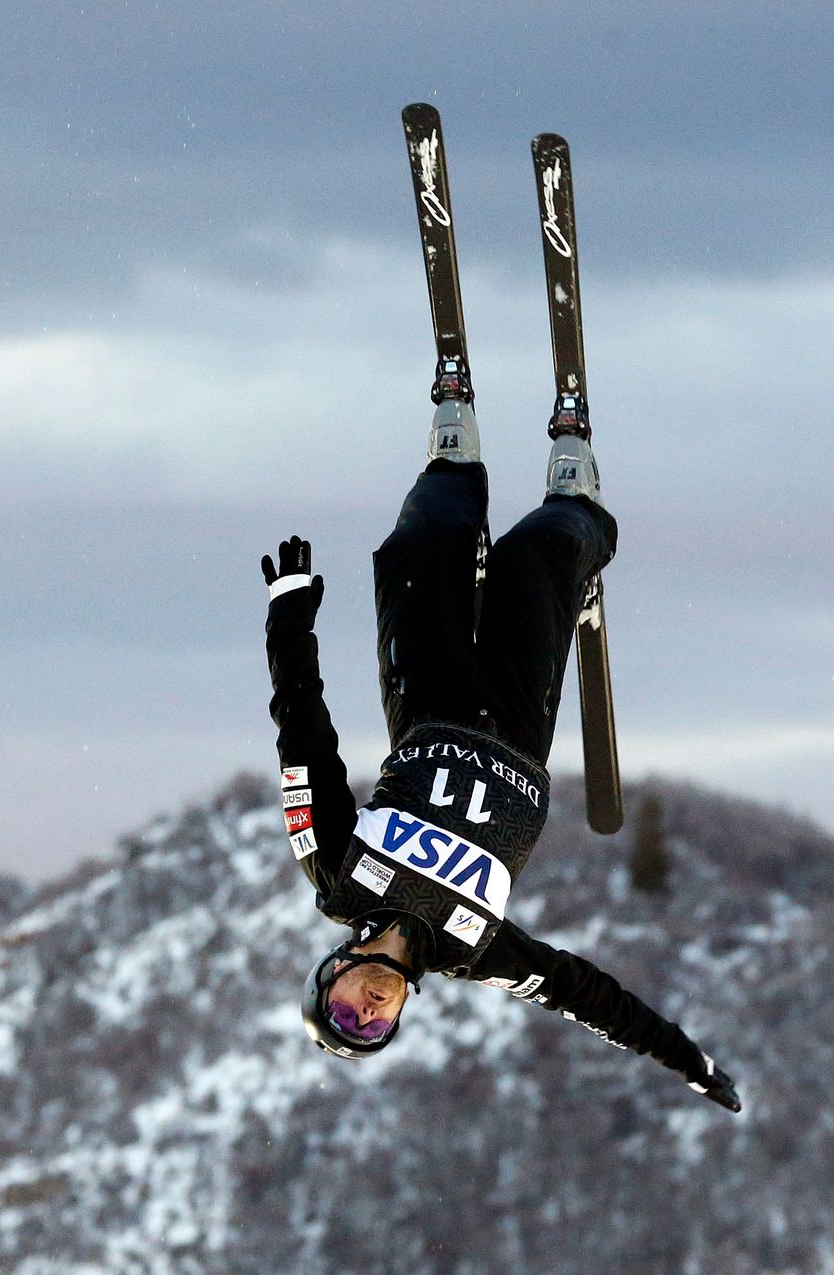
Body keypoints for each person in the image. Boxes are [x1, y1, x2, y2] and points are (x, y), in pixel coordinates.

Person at [261, 396, 741, 1113]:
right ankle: (576, 509)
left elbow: (304, 738)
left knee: (423, 542)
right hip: (517, 722)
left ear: (329, 975)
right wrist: (688, 1059)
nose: (369, 1010)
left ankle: (452, 455)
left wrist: (288, 619)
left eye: (346, 1012)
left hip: (428, 701)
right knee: (544, 547)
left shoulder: (340, 878)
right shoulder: (473, 949)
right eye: (375, 1027)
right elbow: (588, 996)